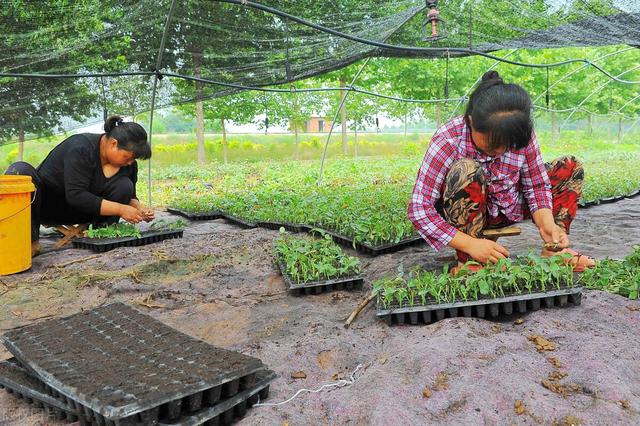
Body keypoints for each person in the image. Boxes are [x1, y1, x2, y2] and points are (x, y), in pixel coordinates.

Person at [408, 71, 595, 272]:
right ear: (471, 122)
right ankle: (470, 260)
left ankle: (554, 251)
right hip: (468, 213)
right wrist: (470, 244)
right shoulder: (448, 141)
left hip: (509, 205)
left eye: (508, 144)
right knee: (466, 170)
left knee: (569, 167)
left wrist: (546, 223)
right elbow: (419, 209)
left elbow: (537, 186)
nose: (499, 151)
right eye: (492, 143)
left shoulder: (520, 132)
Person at [5, 115, 155, 256]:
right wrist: (121, 209)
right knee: (20, 170)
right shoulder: (81, 148)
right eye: (127, 157)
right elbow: (76, 195)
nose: (130, 162)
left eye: (133, 159)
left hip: (86, 212)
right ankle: (31, 242)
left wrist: (140, 208)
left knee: (125, 185)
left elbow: (130, 195)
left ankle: (101, 234)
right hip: (47, 207)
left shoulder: (128, 165)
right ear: (113, 143)